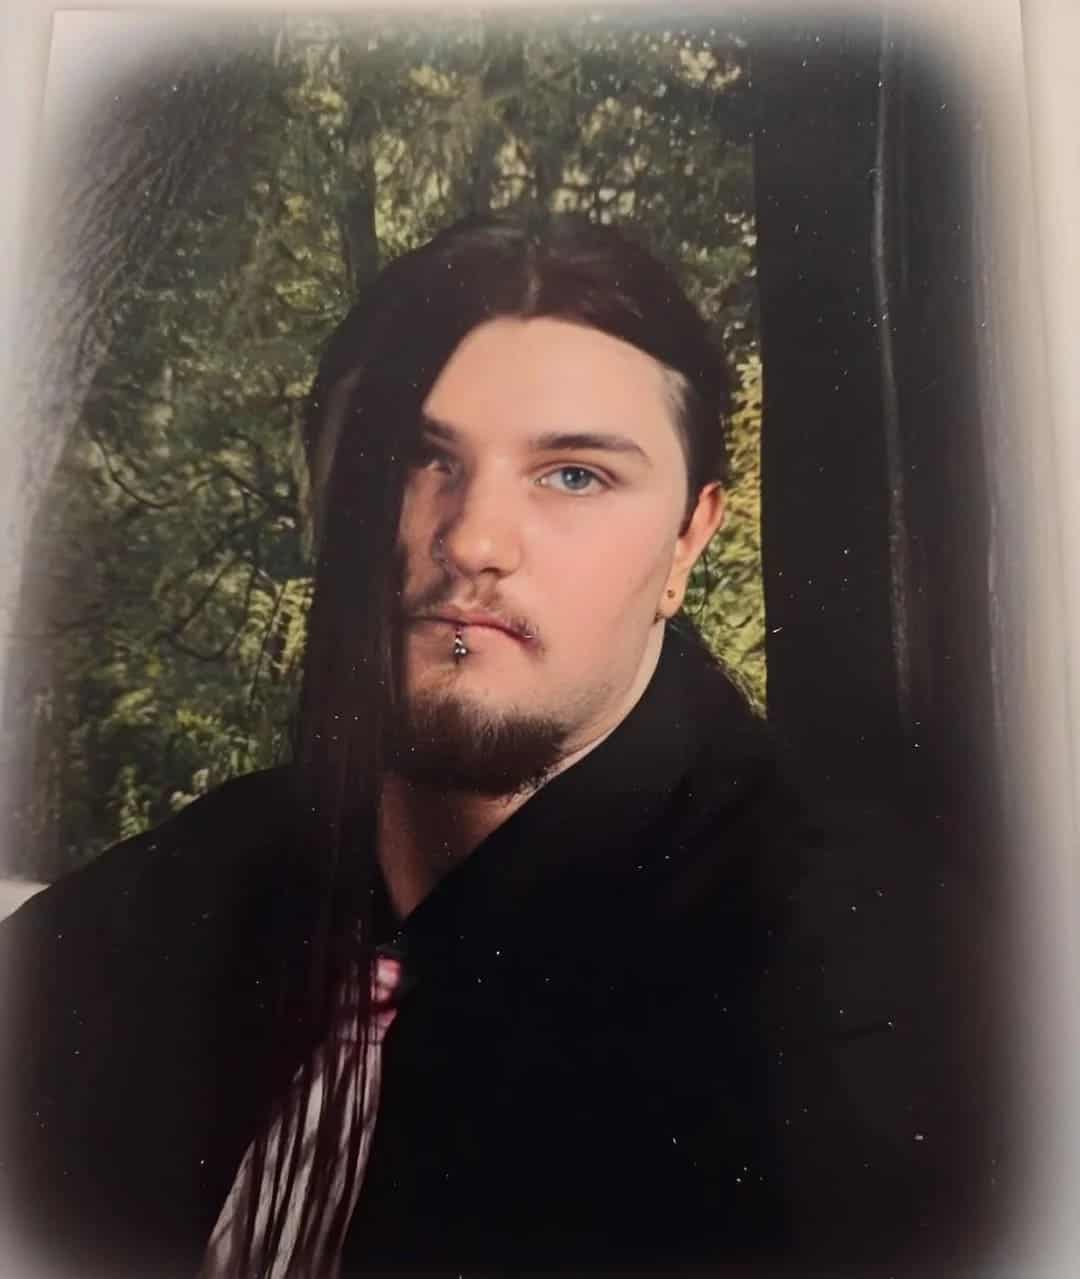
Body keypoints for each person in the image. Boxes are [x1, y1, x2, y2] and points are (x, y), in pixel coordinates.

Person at [2, 215, 956, 1278]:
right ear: (320, 491)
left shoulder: (849, 1008)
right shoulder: (143, 922)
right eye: (417, 457)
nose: (472, 541)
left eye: (574, 475)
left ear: (690, 538)